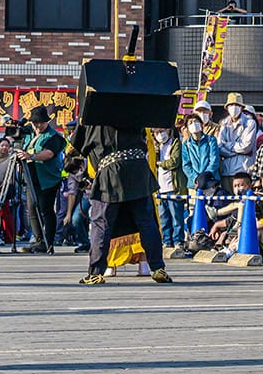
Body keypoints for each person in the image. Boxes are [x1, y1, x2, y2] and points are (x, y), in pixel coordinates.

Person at [70, 111, 171, 286]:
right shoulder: (134, 107)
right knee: (146, 221)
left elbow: (75, 151)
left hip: (110, 172)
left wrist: (78, 171)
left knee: (101, 223)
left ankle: (95, 272)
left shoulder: (91, 114)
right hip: (138, 170)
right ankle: (157, 267)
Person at [13, 105, 68, 253]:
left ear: (46, 122)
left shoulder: (54, 136)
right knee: (31, 209)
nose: (37, 125)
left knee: (46, 210)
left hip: (49, 179)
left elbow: (49, 153)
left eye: (40, 122)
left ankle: (48, 241)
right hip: (31, 177)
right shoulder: (29, 134)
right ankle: (38, 240)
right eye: (34, 122)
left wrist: (31, 156)